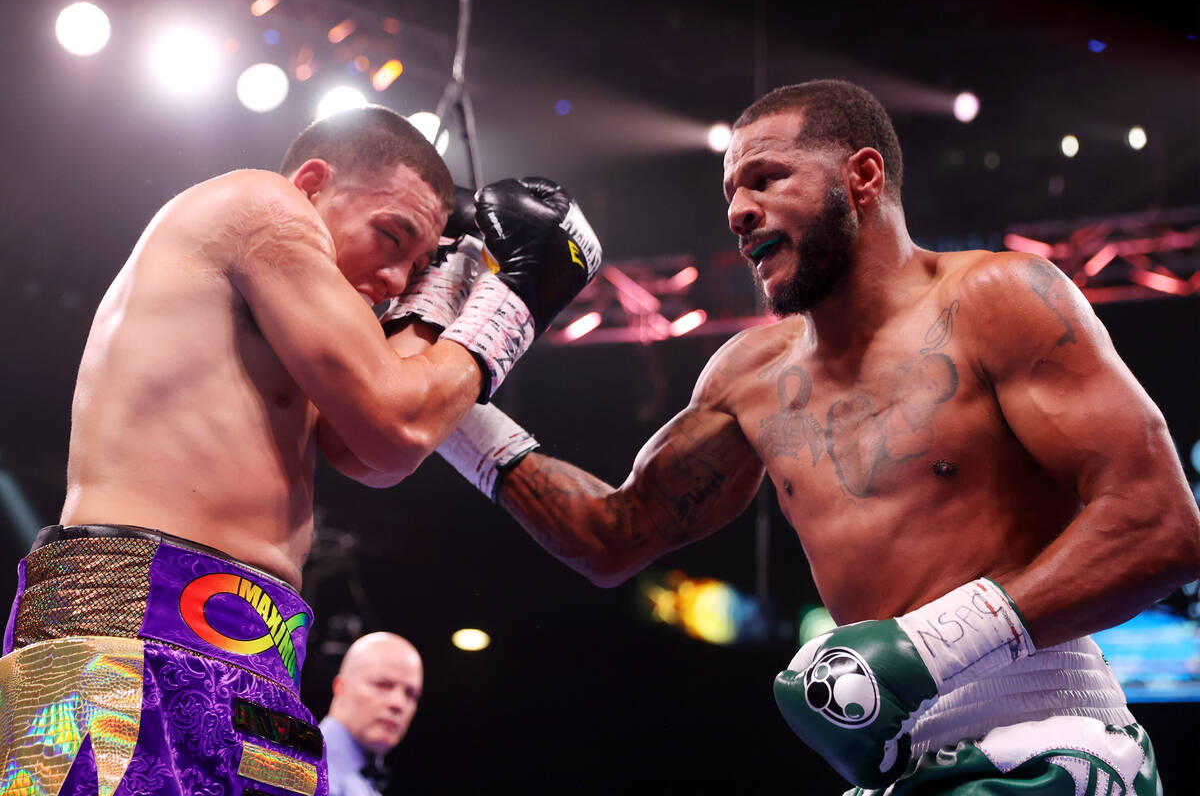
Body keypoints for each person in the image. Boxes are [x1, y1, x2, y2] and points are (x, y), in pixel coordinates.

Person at [431, 80, 1200, 794]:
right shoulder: (748, 378)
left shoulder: (998, 299)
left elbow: (1161, 525)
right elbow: (610, 536)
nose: (737, 211)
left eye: (766, 179)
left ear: (863, 177)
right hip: (900, 760)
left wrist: (931, 646)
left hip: (1048, 736)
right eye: (731, 192)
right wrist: (440, 385)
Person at [0, 104, 600, 796]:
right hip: (130, 620)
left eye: (418, 263)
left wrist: (454, 278)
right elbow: (396, 427)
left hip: (262, 650)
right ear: (313, 184)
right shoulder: (261, 206)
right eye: (391, 236)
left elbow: (369, 454)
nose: (398, 281)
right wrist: (518, 295)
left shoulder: (310, 320)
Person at [320, 633, 423, 796]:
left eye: (410, 694)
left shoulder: (363, 781)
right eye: (383, 685)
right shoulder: (302, 771)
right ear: (341, 687)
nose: (398, 703)